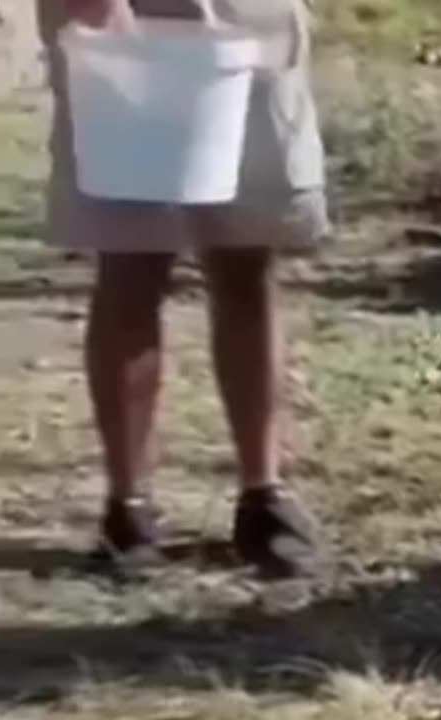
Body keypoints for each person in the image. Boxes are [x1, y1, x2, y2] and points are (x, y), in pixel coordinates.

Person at [37, 0, 331, 578]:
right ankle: (128, 509)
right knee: (131, 265)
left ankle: (264, 497)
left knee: (247, 258)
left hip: (250, 28)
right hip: (124, 37)